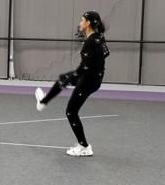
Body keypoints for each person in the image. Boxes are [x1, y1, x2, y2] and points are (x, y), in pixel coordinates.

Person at [35, 11, 110, 156]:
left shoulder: (90, 42)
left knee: (71, 112)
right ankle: (43, 102)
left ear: (88, 23)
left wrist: (75, 75)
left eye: (82, 20)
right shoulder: (99, 37)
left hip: (89, 80)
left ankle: (84, 147)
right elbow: (106, 53)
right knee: (63, 79)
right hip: (94, 77)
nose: (80, 23)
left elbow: (84, 68)